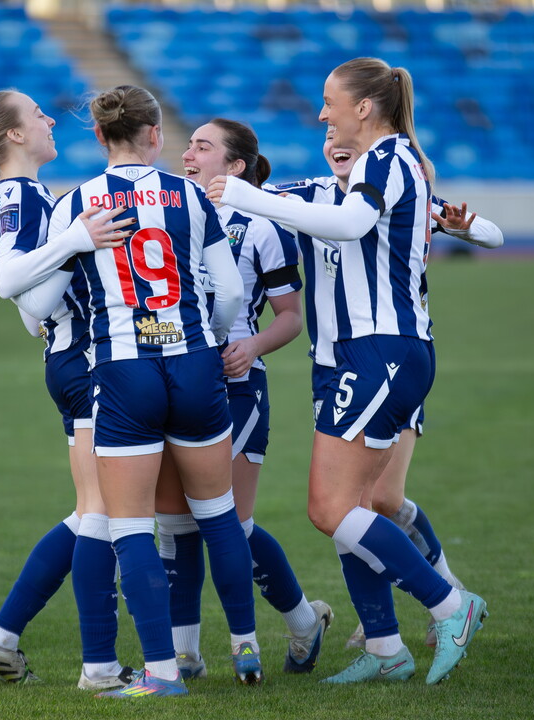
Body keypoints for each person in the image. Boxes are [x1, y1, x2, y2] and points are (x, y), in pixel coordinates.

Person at [207, 58, 488, 686]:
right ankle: (385, 647)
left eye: (330, 102)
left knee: (330, 507)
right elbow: (295, 208)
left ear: (364, 108)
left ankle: (450, 604)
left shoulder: (389, 158)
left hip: (379, 350)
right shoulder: (354, 174)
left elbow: (352, 223)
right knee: (355, 506)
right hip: (349, 359)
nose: (321, 115)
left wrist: (247, 194)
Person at [38, 85, 257, 699]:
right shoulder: (191, 194)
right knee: (218, 514)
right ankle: (246, 647)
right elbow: (231, 294)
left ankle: (161, 673)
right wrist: (209, 337)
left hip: (123, 371)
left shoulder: (76, 203)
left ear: (99, 136)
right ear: (156, 135)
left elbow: (40, 305)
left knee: (130, 527)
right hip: (194, 363)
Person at [270, 128, 503, 650]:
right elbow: (255, 200)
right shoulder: (309, 194)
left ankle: (445, 598)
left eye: (346, 136)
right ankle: (385, 631)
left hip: (387, 360)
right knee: (363, 501)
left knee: (376, 499)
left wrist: (464, 227)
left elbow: (493, 235)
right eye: (328, 136)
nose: (335, 141)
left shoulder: (396, 184)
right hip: (338, 365)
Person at [0, 88, 140, 691]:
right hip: (87, 363)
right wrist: (76, 242)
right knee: (104, 515)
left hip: (67, 362)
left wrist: (44, 257)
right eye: (37, 114)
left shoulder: (20, 195)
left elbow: (33, 313)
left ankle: (2, 639)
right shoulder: (24, 194)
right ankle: (100, 668)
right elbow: (19, 288)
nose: (50, 118)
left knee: (92, 512)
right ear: (13, 135)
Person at [153, 118, 332, 680]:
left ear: (234, 166)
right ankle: (185, 655)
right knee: (175, 523)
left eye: (202, 147)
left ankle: (302, 623)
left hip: (236, 385)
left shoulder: (262, 225)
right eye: (188, 145)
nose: (188, 154)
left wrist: (250, 346)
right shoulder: (172, 210)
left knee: (230, 522)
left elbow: (291, 317)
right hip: (175, 375)